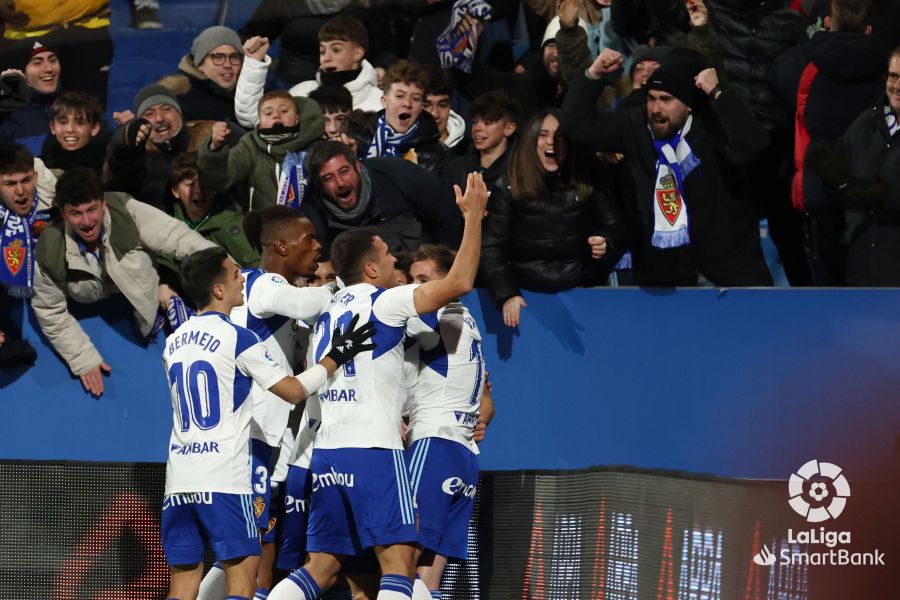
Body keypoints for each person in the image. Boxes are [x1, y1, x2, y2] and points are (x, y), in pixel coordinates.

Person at [267, 171, 488, 600]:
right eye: (388, 257)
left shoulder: (327, 314)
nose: (397, 266)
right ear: (370, 268)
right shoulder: (385, 302)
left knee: (322, 569)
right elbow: (459, 283)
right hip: (373, 450)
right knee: (401, 563)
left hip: (327, 453)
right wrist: (474, 217)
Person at [161, 246, 375, 600]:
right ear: (218, 290)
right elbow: (292, 391)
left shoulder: (172, 343)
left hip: (179, 481)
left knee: (182, 587)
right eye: (234, 275)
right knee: (243, 584)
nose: (241, 281)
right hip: (225, 479)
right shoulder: (239, 337)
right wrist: (338, 355)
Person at [196, 206, 334, 600]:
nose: (317, 246)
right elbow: (312, 306)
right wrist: (344, 288)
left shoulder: (265, 290)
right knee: (244, 546)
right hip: (251, 436)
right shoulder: (266, 284)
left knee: (253, 543)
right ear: (281, 247)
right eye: (308, 239)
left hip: (261, 436)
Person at [561, 47, 772, 287]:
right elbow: (575, 127)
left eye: (666, 99)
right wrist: (592, 74)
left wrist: (718, 92)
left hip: (727, 274)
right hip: (665, 278)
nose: (656, 108)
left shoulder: (713, 126)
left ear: (689, 105)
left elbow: (753, 146)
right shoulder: (634, 125)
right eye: (651, 98)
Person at [31, 167, 218, 397]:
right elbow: (49, 310)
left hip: (146, 304)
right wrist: (83, 359)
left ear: (103, 204)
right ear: (63, 213)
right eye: (76, 213)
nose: (87, 221)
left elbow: (178, 237)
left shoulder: (126, 212)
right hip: (99, 316)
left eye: (92, 209)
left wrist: (228, 270)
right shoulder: (50, 248)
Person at [770, 0, 886, 285]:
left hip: (821, 193)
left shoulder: (797, 63)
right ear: (868, 28)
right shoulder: (889, 65)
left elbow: (774, 82)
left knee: (828, 297)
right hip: (877, 192)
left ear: (827, 23)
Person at [404, 243, 495, 599]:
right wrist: (477, 419)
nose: (415, 287)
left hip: (434, 445)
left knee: (401, 563)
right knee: (428, 579)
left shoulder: (436, 313)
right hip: (463, 455)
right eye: (412, 279)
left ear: (447, 281)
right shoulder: (464, 320)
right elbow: (487, 398)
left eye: (424, 279)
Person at [480, 108, 626, 327]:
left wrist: (607, 241)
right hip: (526, 296)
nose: (552, 142)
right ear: (531, 141)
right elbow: (492, 250)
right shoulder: (509, 187)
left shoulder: (588, 181)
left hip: (583, 292)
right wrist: (506, 294)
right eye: (543, 134)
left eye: (559, 136)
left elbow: (619, 230)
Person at [807, 45, 900, 285]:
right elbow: (838, 193)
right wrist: (836, 185)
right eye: (893, 76)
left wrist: (887, 198)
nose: (897, 86)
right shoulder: (865, 123)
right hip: (860, 266)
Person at [302, 140, 462, 256]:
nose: (340, 183)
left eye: (344, 171)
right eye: (328, 178)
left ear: (358, 166)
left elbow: (446, 211)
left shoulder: (398, 174)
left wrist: (446, 264)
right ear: (319, 185)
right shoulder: (311, 212)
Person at [106, 84, 239, 211]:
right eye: (149, 113)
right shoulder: (137, 156)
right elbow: (117, 173)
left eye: (166, 109)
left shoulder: (209, 135)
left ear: (179, 113)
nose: (159, 118)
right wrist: (124, 138)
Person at [199, 90, 324, 211]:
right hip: (264, 226)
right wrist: (215, 148)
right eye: (268, 113)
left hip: (310, 226)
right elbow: (216, 182)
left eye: (284, 111)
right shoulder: (250, 146)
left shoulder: (315, 145)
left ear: (297, 118)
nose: (276, 115)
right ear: (260, 121)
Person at [165, 152, 260, 269]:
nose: (198, 190)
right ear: (175, 191)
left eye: (203, 182)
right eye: (190, 184)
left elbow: (256, 264)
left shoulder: (230, 222)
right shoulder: (172, 225)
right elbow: (165, 264)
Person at [367, 60, 449, 174]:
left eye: (415, 98)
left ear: (421, 107)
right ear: (384, 101)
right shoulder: (361, 140)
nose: (407, 103)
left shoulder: (437, 154)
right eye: (400, 96)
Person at [442, 90, 521, 195]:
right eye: (475, 121)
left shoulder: (521, 173)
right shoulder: (455, 169)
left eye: (487, 123)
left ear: (509, 129)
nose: (477, 128)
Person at [161, 26, 246, 123]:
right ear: (200, 64)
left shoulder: (250, 93)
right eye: (218, 57)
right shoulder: (183, 103)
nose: (228, 64)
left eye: (234, 57)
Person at [0, 42, 61, 155]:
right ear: (22, 73)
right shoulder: (7, 116)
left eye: (52, 60)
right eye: (37, 63)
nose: (49, 69)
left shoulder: (72, 105)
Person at [40, 90, 109, 173]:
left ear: (94, 128)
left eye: (80, 123)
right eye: (63, 122)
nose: (70, 129)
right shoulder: (45, 159)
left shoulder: (109, 161)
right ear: (53, 127)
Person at [423, 66, 466, 154]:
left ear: (450, 106)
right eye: (426, 105)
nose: (435, 113)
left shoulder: (467, 151)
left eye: (442, 105)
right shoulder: (398, 148)